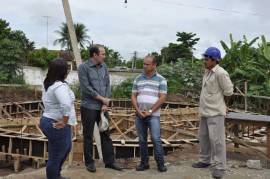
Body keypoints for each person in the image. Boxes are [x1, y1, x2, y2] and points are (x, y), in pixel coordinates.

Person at [78, 44, 123, 172]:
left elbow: (108, 84)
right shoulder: (83, 67)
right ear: (94, 55)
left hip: (103, 107)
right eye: (102, 54)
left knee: (106, 134)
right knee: (88, 135)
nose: (104, 56)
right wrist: (102, 99)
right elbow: (86, 88)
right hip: (89, 107)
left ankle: (110, 162)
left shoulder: (104, 67)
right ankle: (89, 163)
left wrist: (105, 102)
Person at [192, 47, 233, 178]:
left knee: (217, 141)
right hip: (204, 111)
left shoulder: (221, 73)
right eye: (204, 58)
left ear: (214, 60)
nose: (204, 61)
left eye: (207, 59)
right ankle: (204, 160)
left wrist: (226, 105)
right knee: (203, 137)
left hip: (215, 112)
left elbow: (228, 91)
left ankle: (220, 166)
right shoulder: (207, 72)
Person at [40, 58, 77, 179]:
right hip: (56, 123)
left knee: (65, 148)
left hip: (50, 121)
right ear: (63, 71)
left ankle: (56, 175)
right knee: (56, 156)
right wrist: (65, 121)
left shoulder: (49, 82)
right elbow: (66, 104)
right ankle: (53, 176)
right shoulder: (58, 86)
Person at [131, 54, 167, 172]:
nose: (144, 66)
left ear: (154, 65)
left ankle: (160, 163)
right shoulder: (138, 79)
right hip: (139, 114)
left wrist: (150, 111)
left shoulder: (161, 80)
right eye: (144, 64)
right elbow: (133, 96)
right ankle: (144, 163)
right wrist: (138, 110)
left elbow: (162, 98)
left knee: (156, 138)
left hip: (153, 115)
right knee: (142, 139)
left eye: (147, 64)